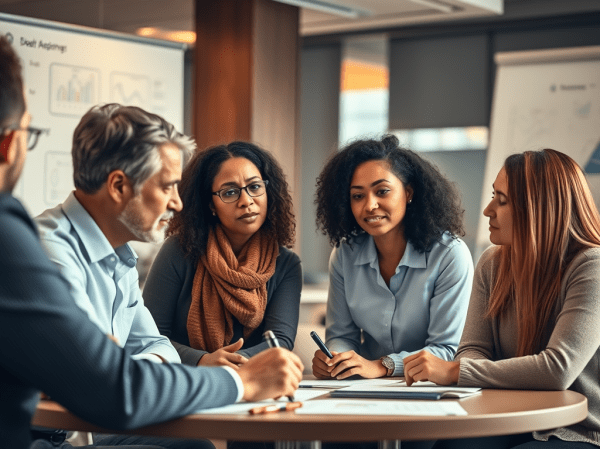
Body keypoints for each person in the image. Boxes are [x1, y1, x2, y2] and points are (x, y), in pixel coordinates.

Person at [0, 35, 303, 449]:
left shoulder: (119, 255)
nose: (178, 203)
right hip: (55, 436)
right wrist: (239, 380)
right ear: (120, 186)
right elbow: (109, 384)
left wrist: (123, 362)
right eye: (167, 187)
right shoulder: (46, 247)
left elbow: (154, 346)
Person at [403, 149, 600, 449]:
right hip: (508, 417)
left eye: (502, 200)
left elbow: (557, 369)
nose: (488, 210)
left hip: (576, 429)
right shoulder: (492, 262)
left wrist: (455, 371)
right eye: (494, 195)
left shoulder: (592, 266)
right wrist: (465, 367)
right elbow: (472, 349)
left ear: (540, 208)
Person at [312, 135, 473, 381]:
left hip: (427, 389)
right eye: (358, 196)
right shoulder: (345, 254)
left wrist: (383, 365)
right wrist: (336, 359)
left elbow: (446, 349)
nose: (370, 205)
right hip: (363, 389)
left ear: (408, 192)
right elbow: (342, 335)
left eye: (382, 191)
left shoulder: (450, 254)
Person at [144, 141, 301, 369]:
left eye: (255, 187)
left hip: (252, 381)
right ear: (211, 205)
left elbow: (280, 341)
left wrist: (229, 363)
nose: (246, 201)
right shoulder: (179, 250)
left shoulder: (286, 264)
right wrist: (201, 360)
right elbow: (151, 334)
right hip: (184, 377)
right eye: (229, 192)